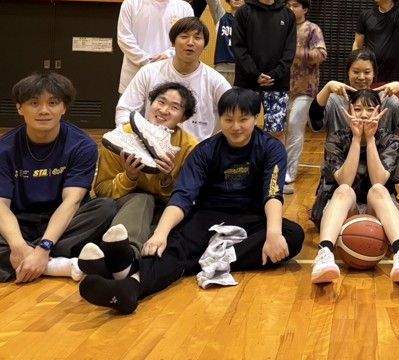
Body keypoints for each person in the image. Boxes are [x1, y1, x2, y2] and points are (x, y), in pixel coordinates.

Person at [78, 88, 305, 315]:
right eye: (228, 120)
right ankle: (131, 287)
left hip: (252, 217)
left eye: (243, 120)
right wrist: (160, 234)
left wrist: (273, 234)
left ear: (256, 118)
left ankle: (203, 257)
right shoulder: (205, 151)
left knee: (292, 235)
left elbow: (273, 192)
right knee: (172, 245)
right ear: (220, 119)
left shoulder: (271, 148)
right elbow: (184, 196)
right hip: (209, 216)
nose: (236, 127)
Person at [0, 73, 115, 283]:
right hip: (20, 221)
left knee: (105, 208)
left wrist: (44, 247)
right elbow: (1, 206)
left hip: (64, 221)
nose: (44, 110)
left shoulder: (83, 145)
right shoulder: (4, 149)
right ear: (19, 108)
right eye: (34, 103)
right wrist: (17, 245)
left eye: (52, 103)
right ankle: (56, 265)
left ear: (64, 108)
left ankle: (28, 261)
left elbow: (72, 202)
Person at [309, 89, 399, 284]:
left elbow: (378, 180)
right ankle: (324, 253)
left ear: (380, 111)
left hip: (378, 210)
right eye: (358, 109)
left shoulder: (390, 139)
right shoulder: (336, 138)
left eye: (370, 109)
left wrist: (370, 140)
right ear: (349, 110)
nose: (364, 115)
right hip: (343, 209)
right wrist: (357, 139)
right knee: (344, 190)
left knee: (378, 190)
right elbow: (344, 181)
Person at [95, 82, 198, 259]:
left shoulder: (190, 147)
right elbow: (101, 191)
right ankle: (127, 255)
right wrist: (129, 177)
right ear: (150, 104)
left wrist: (166, 179)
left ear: (183, 117)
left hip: (164, 209)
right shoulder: (120, 137)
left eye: (174, 107)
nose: (164, 110)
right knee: (143, 199)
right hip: (124, 205)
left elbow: (185, 198)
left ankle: (120, 257)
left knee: (179, 225)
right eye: (161, 102)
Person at [116, 17, 231, 141]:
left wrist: (213, 146)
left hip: (197, 149)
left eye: (197, 38)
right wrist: (134, 140)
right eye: (184, 36)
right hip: (152, 145)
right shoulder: (148, 72)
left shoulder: (215, 81)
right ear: (173, 42)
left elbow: (233, 114)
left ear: (205, 45)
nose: (190, 43)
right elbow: (125, 110)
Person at [233, 0, 297, 142]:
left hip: (277, 83)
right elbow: (238, 47)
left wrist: (275, 74)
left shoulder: (288, 15)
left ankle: (275, 162)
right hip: (248, 82)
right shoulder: (244, 12)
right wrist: (255, 74)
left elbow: (290, 50)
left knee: (276, 132)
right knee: (242, 128)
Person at [117, 0, 193, 93]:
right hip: (134, 75)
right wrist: (146, 61)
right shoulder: (131, 2)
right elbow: (124, 38)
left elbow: (188, 39)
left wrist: (168, 55)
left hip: (170, 73)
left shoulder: (184, 8)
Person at [309, 48, 399, 143]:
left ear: (374, 73)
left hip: (381, 156)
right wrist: (327, 87)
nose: (361, 77)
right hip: (340, 156)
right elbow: (315, 122)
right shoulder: (335, 100)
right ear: (348, 72)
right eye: (356, 72)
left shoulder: (385, 99)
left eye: (367, 72)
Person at [284, 0, 327, 194]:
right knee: (281, 129)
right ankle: (278, 167)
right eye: (288, 5)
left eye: (295, 6)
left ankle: (289, 172)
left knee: (295, 126)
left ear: (305, 9)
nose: (291, 9)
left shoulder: (312, 28)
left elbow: (321, 54)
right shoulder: (281, 27)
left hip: (305, 89)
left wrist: (298, 52)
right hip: (282, 88)